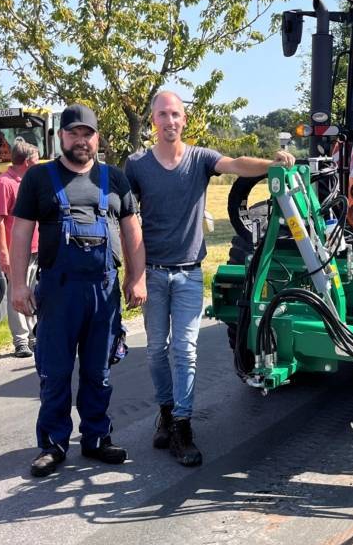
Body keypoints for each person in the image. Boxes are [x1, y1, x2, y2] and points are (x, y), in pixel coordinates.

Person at [125, 90, 294, 467]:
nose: (170, 121)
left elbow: (235, 164)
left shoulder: (200, 159)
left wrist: (272, 165)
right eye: (163, 114)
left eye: (176, 115)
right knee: (155, 352)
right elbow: (126, 220)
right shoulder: (136, 165)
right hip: (152, 274)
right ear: (153, 119)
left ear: (184, 120)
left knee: (184, 350)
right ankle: (166, 412)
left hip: (188, 275)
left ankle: (182, 424)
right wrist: (132, 274)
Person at [10, 103, 147, 478]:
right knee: (54, 371)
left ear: (96, 137)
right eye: (73, 133)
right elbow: (21, 231)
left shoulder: (114, 179)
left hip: (103, 290)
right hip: (58, 291)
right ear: (61, 137)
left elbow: (132, 230)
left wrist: (138, 277)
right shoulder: (39, 178)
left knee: (98, 370)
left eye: (87, 134)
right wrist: (18, 285)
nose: (81, 140)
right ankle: (53, 444)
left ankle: (97, 438)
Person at [0, 138, 40, 357]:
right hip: (17, 250)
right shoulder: (4, 183)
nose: (39, 163)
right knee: (17, 292)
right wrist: (3, 253)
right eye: (37, 159)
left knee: (33, 291)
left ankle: (34, 334)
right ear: (28, 161)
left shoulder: (29, 182)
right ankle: (20, 339)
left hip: (37, 247)